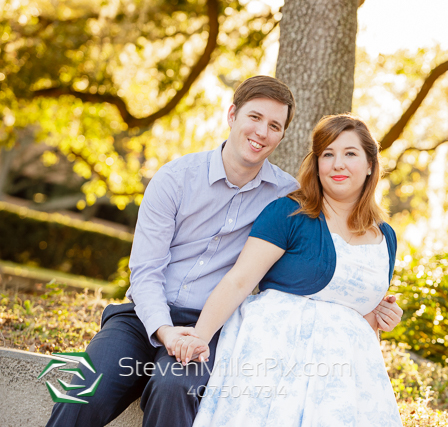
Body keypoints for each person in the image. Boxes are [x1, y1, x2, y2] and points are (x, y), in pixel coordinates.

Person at [45, 77, 404, 427]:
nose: (262, 132)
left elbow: (323, 254)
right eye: (254, 117)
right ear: (232, 115)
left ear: (282, 136)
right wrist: (166, 332)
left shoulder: (288, 197)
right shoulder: (175, 178)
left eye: (274, 125)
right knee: (85, 387)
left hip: (212, 324)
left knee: (174, 387)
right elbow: (145, 272)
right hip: (143, 318)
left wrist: (370, 303)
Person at [174, 114, 404, 426]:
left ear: (370, 165)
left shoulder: (386, 237)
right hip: (274, 362)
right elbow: (239, 281)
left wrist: (379, 318)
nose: (338, 164)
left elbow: (362, 321)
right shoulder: (288, 213)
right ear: (316, 164)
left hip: (345, 382)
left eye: (350, 154)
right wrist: (199, 337)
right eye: (328, 154)